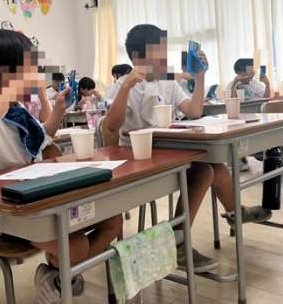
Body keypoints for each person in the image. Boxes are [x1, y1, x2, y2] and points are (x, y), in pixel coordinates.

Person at [105, 24, 271, 272]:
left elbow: (194, 111)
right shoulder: (123, 85)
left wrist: (201, 76)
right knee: (204, 171)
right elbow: (111, 125)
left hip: (168, 150)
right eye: (160, 51)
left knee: (214, 165)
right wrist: (126, 88)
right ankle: (185, 240)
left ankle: (232, 215)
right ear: (140, 56)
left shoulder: (167, 82)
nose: (165, 56)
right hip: (137, 156)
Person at [0, 29, 122, 304]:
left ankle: (54, 279)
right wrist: (15, 89)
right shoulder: (0, 106)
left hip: (39, 195)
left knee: (113, 221)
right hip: (9, 211)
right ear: (5, 70)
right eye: (26, 65)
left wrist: (58, 108)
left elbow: (43, 137)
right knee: (75, 246)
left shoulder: (16, 109)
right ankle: (59, 279)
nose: (33, 72)